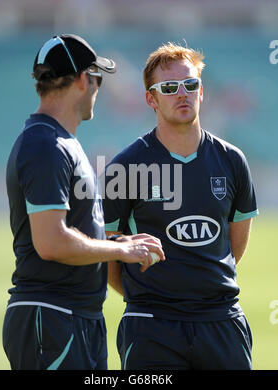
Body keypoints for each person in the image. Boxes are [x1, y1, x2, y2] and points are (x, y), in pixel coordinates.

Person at [3, 34, 164, 370]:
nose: (98, 88)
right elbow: (51, 243)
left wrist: (118, 240)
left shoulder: (59, 140)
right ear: (83, 79)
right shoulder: (45, 144)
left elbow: (71, 232)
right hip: (53, 318)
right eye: (98, 78)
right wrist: (120, 251)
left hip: (72, 318)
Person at [103, 42, 258, 370]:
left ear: (201, 91)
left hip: (222, 321)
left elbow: (234, 245)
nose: (182, 94)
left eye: (190, 85)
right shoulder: (126, 167)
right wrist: (145, 294)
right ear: (151, 99)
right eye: (169, 87)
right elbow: (107, 252)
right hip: (151, 325)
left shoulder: (232, 161)